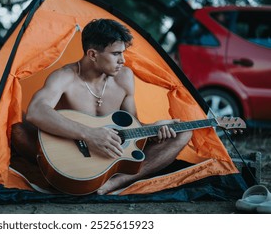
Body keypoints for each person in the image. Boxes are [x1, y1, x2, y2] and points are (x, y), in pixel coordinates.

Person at [14, 18, 193, 195]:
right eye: (116, 54)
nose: (122, 60)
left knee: (184, 132)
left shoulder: (124, 77)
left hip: (111, 154)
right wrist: (90, 134)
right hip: (70, 152)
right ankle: (65, 176)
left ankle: (115, 183)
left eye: (123, 53)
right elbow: (36, 111)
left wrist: (153, 130)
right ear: (92, 54)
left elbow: (132, 125)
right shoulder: (65, 77)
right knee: (16, 130)